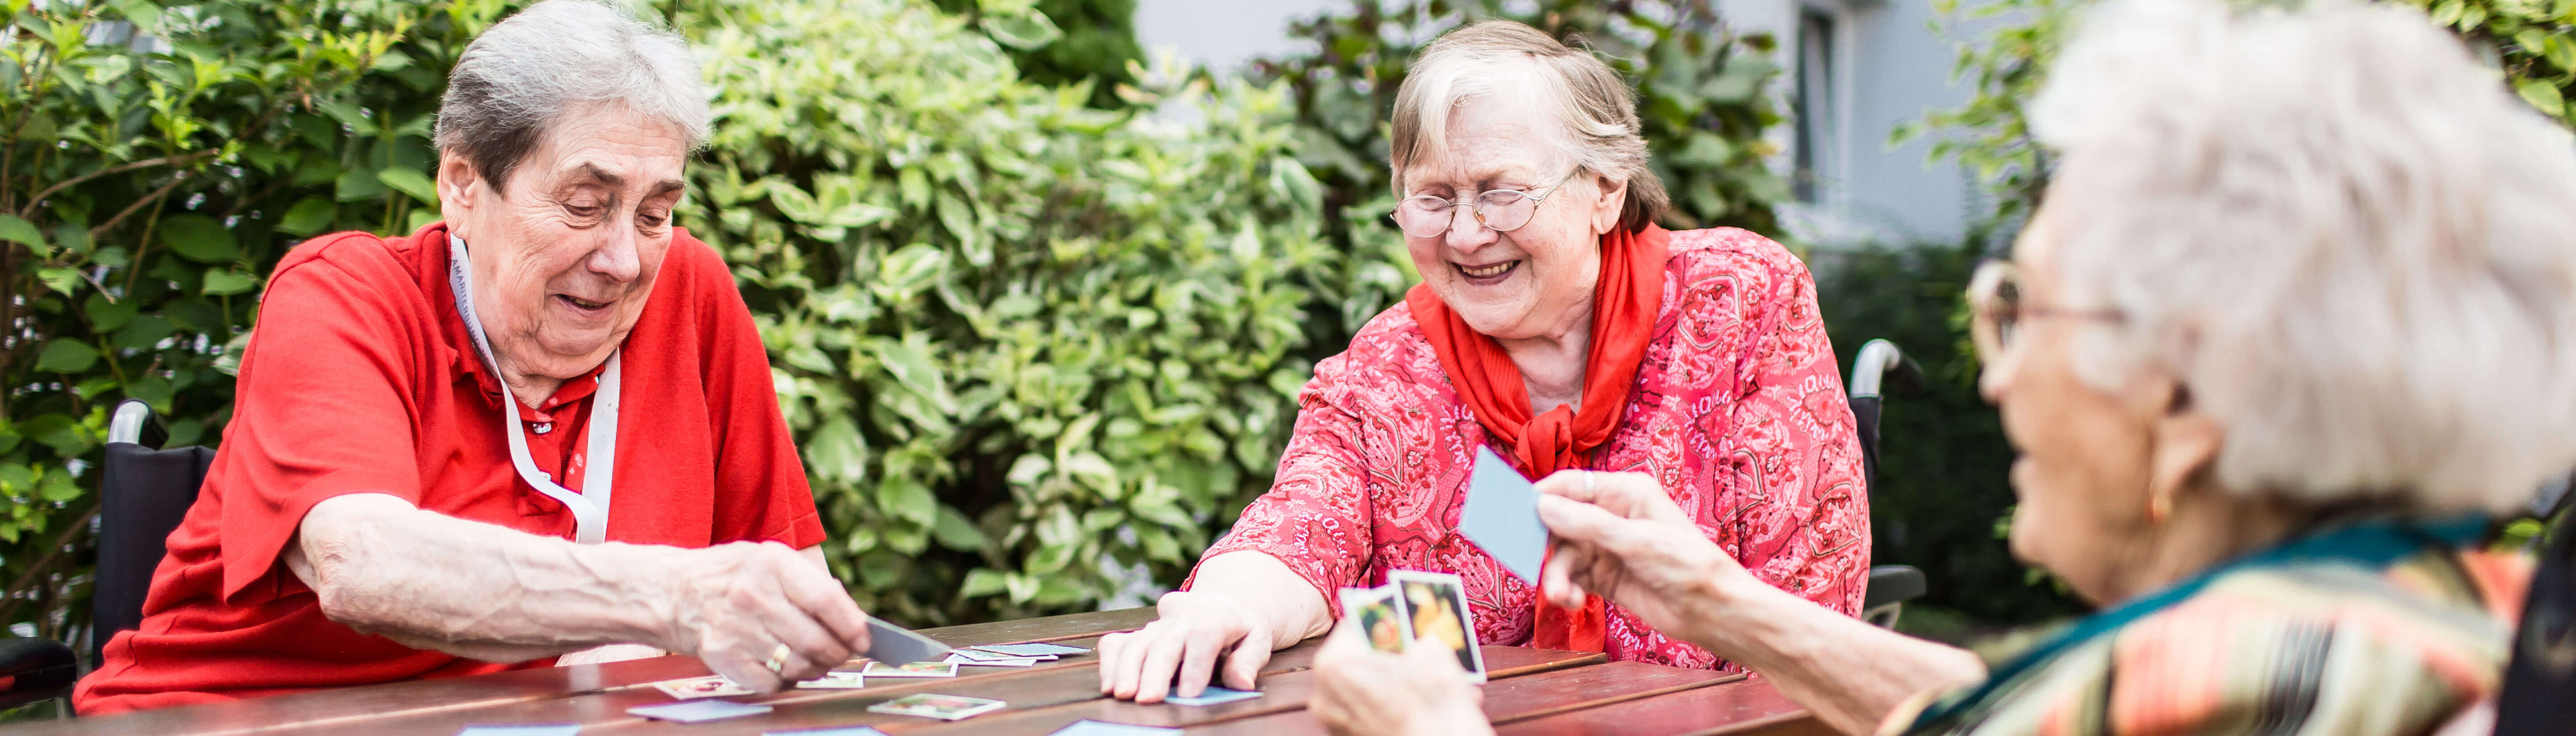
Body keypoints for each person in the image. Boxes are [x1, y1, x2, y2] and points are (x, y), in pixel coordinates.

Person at [1304, 1, 2576, 734]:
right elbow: (2016, 712)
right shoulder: (2431, 627)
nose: (1999, 375)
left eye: (2021, 310)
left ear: (2188, 404)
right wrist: (1715, 598)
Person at [74, 1, 871, 713]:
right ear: (462, 183)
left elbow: (789, 581)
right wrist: (672, 598)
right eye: (585, 205)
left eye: (656, 211)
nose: (624, 259)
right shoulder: (345, 295)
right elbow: (364, 564)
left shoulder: (688, 291)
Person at [1099, 20, 1870, 703]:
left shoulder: (1738, 300)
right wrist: (1226, 607)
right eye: (1432, 197)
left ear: (1604, 190)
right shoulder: (1390, 363)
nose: (1465, 235)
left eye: (1502, 193)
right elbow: (1300, 527)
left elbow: (1810, 608)